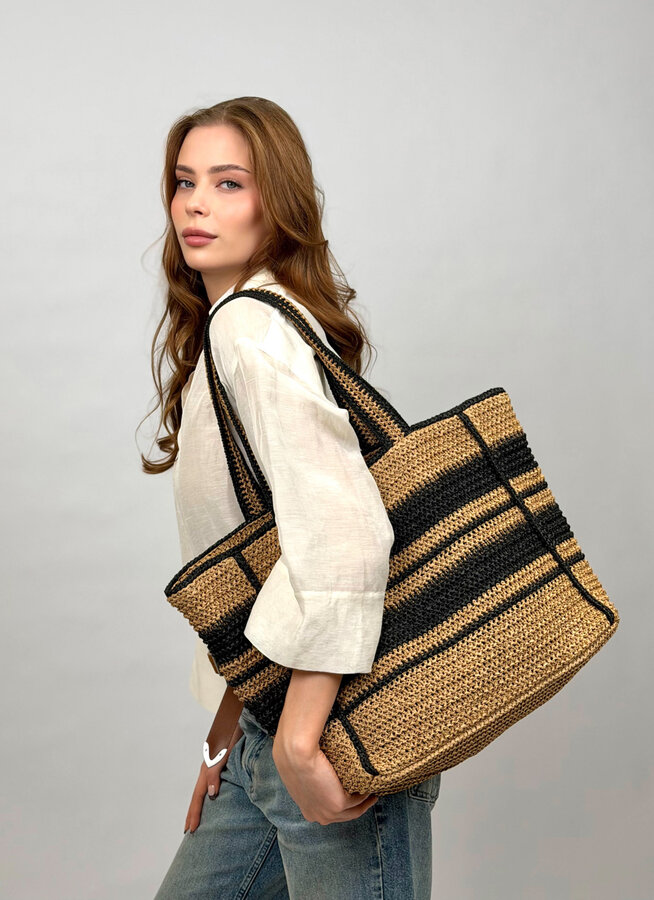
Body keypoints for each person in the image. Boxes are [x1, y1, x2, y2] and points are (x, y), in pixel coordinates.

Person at [142, 96, 441, 900]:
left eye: (229, 183)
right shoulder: (233, 331)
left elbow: (346, 533)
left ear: (276, 204)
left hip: (332, 735)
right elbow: (262, 561)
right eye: (184, 182)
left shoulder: (252, 332)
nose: (195, 205)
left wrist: (300, 745)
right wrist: (229, 738)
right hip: (267, 731)